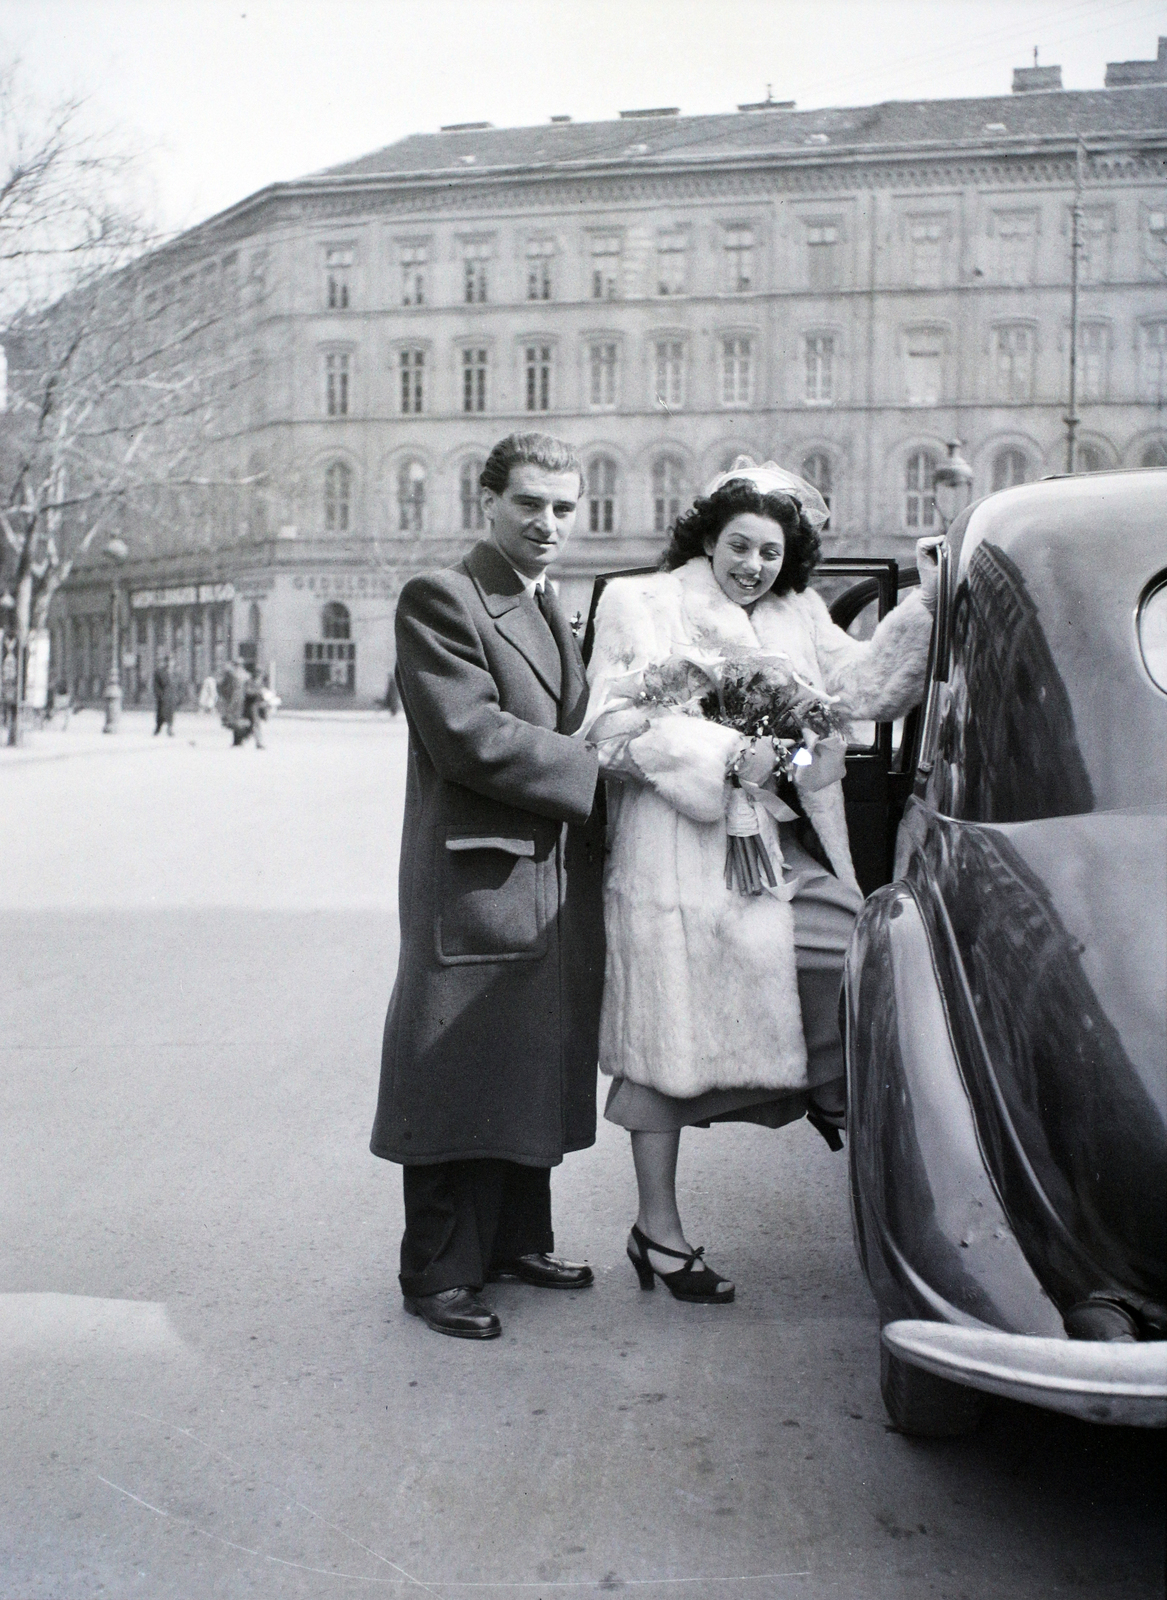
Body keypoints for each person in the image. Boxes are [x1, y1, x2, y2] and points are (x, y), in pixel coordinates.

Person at [581, 459, 938, 1303]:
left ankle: (826, 1088)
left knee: (853, 948)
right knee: (663, 1039)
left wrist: (927, 606)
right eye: (738, 545)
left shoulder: (794, 611)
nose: (752, 565)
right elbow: (608, 726)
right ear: (707, 539)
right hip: (673, 840)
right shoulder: (643, 602)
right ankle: (657, 1234)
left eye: (770, 552)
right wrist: (723, 756)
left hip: (765, 842)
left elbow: (861, 691)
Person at [370, 433, 606, 1341]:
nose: (548, 524)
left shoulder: (546, 603)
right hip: (478, 877)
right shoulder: (444, 599)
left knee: (525, 1056)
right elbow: (465, 733)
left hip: (537, 877)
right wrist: (598, 768)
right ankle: (435, 1274)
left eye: (563, 508)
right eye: (530, 505)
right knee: (454, 1065)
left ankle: (513, 1242)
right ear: (489, 503)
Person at [242, 666, 267, 749]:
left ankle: (248, 736)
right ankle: (258, 742)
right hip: (251, 704)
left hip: (259, 705)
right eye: (258, 673)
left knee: (255, 724)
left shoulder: (260, 682)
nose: (259, 675)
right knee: (255, 724)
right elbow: (247, 692)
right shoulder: (249, 681)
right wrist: (257, 693)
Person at [152, 656, 178, 736]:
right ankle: (158, 728)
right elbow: (156, 685)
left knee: (170, 713)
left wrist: (178, 696)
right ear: (165, 662)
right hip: (163, 697)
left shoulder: (175, 672)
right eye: (169, 661)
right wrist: (159, 695)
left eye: (172, 661)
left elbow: (179, 684)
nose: (170, 663)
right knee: (160, 713)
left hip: (171, 697)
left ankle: (170, 728)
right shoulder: (159, 672)